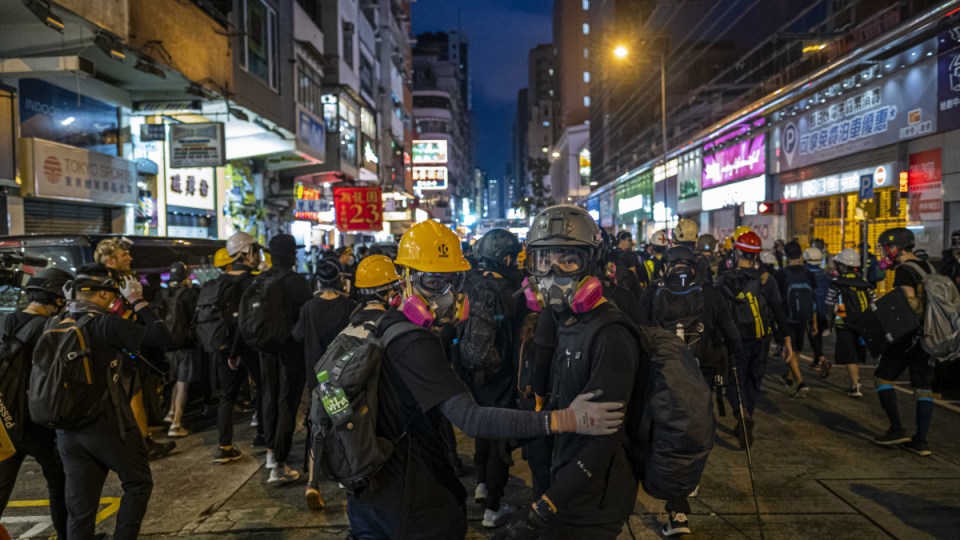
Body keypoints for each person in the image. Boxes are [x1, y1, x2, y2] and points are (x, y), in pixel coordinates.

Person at [345, 218, 625, 540]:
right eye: (433, 283)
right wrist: (563, 420)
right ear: (405, 281)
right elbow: (472, 420)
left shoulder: (385, 324)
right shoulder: (414, 342)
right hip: (408, 505)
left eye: (453, 281)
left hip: (371, 500)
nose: (446, 294)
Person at [497, 205, 642, 539]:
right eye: (544, 261)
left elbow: (607, 436)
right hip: (567, 486)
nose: (553, 273)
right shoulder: (566, 322)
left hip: (593, 500)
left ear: (591, 265)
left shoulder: (611, 334)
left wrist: (546, 505)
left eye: (568, 260)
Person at [54, 264, 174, 539]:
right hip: (106, 424)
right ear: (105, 295)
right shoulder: (106, 324)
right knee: (138, 483)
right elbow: (162, 337)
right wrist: (136, 300)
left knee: (81, 508)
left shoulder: (57, 322)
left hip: (67, 429)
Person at [637, 245, 740, 537]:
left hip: (662, 377)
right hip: (700, 377)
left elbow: (637, 329)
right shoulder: (709, 292)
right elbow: (732, 333)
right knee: (693, 435)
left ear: (665, 266)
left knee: (660, 434)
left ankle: (670, 501)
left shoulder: (653, 291)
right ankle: (682, 497)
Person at [455, 228, 524, 528]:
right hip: (503, 376)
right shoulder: (514, 291)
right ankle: (493, 507)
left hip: (474, 376)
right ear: (505, 257)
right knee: (500, 441)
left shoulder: (472, 284)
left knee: (482, 430)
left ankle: (482, 484)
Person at [0, 268, 73, 539]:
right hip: (35, 419)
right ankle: (68, 534)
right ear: (57, 297)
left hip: (5, 416)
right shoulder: (49, 327)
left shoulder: (6, 321)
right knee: (59, 478)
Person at [94, 236, 175, 461]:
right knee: (132, 395)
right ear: (110, 261)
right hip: (114, 352)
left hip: (121, 350)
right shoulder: (106, 286)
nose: (130, 257)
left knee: (133, 395)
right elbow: (115, 319)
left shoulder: (112, 281)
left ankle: (140, 440)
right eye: (124, 255)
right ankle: (143, 444)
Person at [717, 231, 793, 448]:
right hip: (761, 338)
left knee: (734, 378)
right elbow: (777, 311)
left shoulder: (725, 279)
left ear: (737, 251)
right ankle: (747, 412)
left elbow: (717, 312)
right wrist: (786, 340)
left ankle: (740, 415)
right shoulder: (766, 279)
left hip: (735, 339)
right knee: (754, 378)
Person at [293, 258, 356, 510]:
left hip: (317, 378)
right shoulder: (348, 305)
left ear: (318, 281)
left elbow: (297, 335)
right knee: (345, 425)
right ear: (340, 280)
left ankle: (312, 482)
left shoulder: (309, 307)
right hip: (343, 375)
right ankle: (348, 476)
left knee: (317, 429)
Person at [873, 228, 936, 456]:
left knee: (883, 377)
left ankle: (897, 429)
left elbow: (910, 305)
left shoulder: (904, 270)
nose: (884, 252)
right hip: (930, 335)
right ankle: (921, 441)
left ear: (895, 247)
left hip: (910, 334)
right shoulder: (929, 266)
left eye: (885, 247)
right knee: (923, 388)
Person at [257, 234, 313, 484]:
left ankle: (271, 453)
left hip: (265, 350)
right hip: (290, 350)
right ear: (291, 255)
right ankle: (279, 465)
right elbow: (308, 317)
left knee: (269, 399)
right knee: (287, 404)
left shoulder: (262, 279)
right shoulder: (296, 282)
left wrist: (236, 352)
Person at [210, 232, 264, 464]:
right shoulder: (254, 280)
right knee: (263, 388)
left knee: (227, 397)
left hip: (223, 345)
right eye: (254, 250)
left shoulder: (217, 282)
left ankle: (224, 445)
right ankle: (264, 435)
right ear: (246, 252)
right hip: (249, 344)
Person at [823, 248, 875, 398]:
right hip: (862, 323)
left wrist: (829, 322)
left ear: (842, 265)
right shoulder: (865, 283)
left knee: (850, 355)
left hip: (843, 322)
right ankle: (855, 380)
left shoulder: (837, 283)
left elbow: (829, 304)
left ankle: (855, 386)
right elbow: (874, 303)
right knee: (857, 353)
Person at [159, 262, 200, 438]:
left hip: (167, 344)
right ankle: (176, 424)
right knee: (183, 383)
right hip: (185, 344)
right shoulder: (189, 294)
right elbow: (195, 317)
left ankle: (170, 412)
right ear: (186, 275)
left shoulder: (162, 293)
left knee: (174, 380)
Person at [773, 241, 816, 395]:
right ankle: (790, 375)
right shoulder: (808, 273)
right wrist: (814, 322)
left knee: (788, 347)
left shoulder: (781, 274)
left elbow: (776, 298)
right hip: (803, 317)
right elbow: (813, 298)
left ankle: (800, 382)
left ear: (786, 254)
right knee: (797, 348)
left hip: (786, 317)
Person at [613, 230, 646, 298]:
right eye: (628, 240)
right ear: (621, 240)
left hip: (615, 289)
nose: (630, 243)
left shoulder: (612, 254)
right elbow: (633, 275)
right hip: (629, 290)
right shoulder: (629, 256)